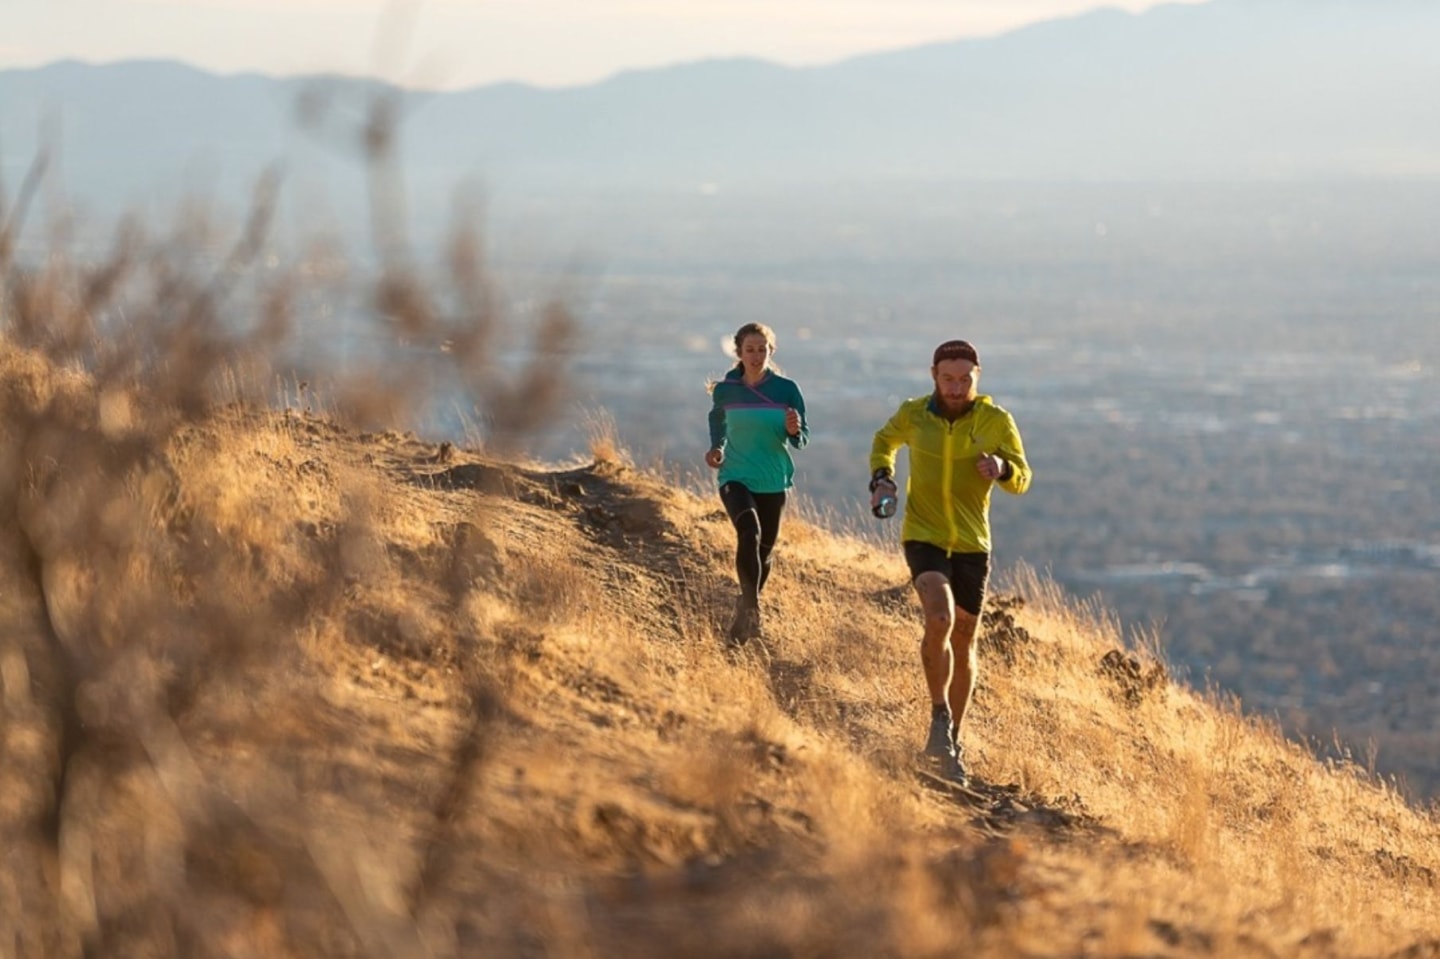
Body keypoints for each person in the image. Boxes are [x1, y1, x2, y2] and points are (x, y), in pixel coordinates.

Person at [869, 339, 1031, 783]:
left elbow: (1023, 478)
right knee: (937, 618)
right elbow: (885, 440)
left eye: (965, 379)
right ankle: (939, 717)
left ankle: (951, 740)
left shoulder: (996, 420)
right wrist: (882, 478)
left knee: (963, 640)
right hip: (924, 535)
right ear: (933, 376)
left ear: (977, 376)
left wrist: (1001, 467)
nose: (957, 388)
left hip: (973, 544)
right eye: (948, 379)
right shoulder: (915, 414)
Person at [705, 322, 809, 646]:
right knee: (749, 531)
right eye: (750, 349)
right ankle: (752, 609)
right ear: (739, 352)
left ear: (771, 352)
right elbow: (717, 421)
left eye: (762, 349)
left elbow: (802, 440)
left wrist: (794, 429)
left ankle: (742, 615)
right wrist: (717, 448)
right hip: (735, 475)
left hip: (773, 479)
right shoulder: (726, 390)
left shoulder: (787, 389)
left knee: (764, 552)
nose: (756, 355)